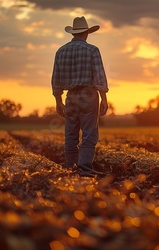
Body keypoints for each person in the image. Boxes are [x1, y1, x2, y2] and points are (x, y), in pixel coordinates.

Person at [51, 16, 109, 177]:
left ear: (73, 33)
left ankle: (71, 168)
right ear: (87, 33)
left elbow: (56, 78)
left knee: (70, 134)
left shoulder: (60, 51)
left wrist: (58, 100)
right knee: (89, 133)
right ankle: (85, 169)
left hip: (70, 96)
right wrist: (104, 98)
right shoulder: (92, 50)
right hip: (88, 94)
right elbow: (99, 76)